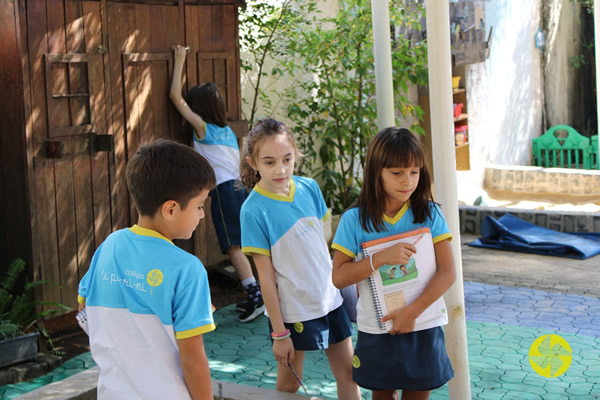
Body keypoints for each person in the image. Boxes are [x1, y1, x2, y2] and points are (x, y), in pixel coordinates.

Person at [77, 139, 216, 400]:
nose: (202, 214)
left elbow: (84, 308)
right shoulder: (188, 269)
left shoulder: (109, 246)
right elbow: (193, 357)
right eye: (199, 205)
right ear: (171, 209)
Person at [331, 127, 456, 400]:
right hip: (378, 327)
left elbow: (447, 273)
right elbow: (339, 277)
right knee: (382, 394)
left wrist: (412, 313)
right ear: (377, 171)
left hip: (422, 323)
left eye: (414, 171)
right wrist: (379, 259)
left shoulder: (430, 213)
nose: (407, 181)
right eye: (396, 173)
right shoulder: (354, 219)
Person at [239, 119, 360, 399]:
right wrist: (279, 334)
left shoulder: (309, 188)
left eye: (287, 159)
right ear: (253, 162)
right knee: (291, 384)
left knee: (349, 376)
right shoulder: (252, 211)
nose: (280, 169)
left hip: (330, 301)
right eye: (269, 162)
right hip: (291, 313)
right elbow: (265, 278)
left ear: (296, 155)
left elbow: (322, 244)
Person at [170, 45, 264, 322]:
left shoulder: (202, 127)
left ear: (200, 109)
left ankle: (254, 294)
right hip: (240, 189)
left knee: (232, 247)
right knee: (243, 244)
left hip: (224, 191)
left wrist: (180, 59)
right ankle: (257, 292)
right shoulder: (226, 131)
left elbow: (175, 96)